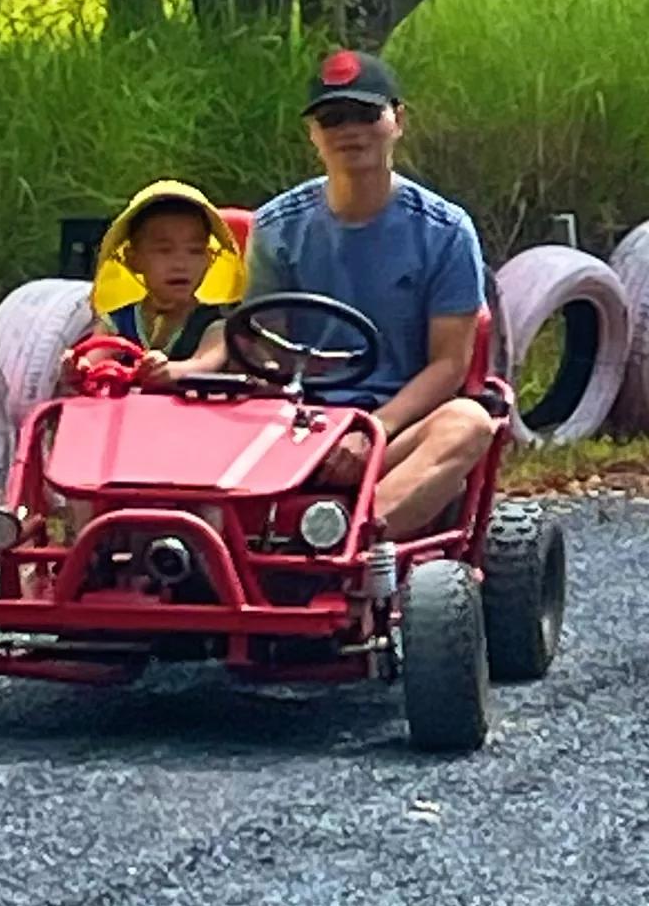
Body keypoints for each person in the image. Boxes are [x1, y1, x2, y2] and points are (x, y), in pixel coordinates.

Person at [201, 50, 497, 541]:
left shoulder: (445, 231)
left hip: (393, 428)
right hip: (290, 421)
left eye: (365, 114)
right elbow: (264, 350)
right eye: (332, 118)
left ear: (397, 121)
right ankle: (187, 550)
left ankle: (346, 540)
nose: (349, 131)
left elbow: (449, 365)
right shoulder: (277, 227)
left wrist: (369, 431)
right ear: (313, 135)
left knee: (468, 423)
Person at [92, 183, 240, 365]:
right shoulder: (117, 323)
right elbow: (93, 359)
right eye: (164, 250)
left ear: (209, 260)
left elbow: (204, 363)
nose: (181, 264)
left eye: (195, 251)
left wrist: (173, 372)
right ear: (132, 259)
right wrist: (77, 369)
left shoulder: (215, 323)